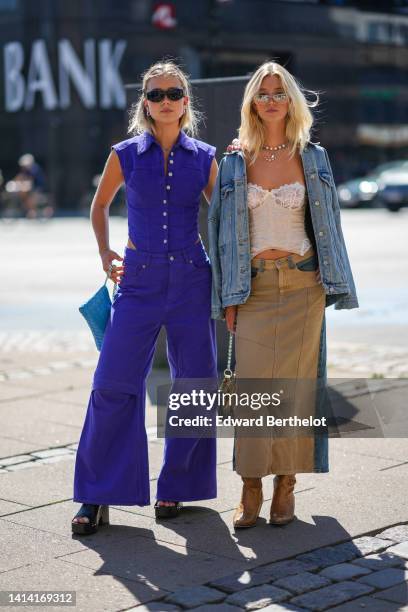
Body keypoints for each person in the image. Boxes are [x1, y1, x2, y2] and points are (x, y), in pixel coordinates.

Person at [208, 61, 358, 529]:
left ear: (291, 100)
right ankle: (250, 487)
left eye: (278, 92)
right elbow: (219, 235)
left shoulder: (313, 156)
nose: (270, 99)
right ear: (252, 101)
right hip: (251, 286)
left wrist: (334, 284)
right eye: (262, 92)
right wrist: (226, 299)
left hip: (302, 285)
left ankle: (286, 484)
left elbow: (330, 224)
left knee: (294, 393)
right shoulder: (234, 160)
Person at [72, 60, 219, 535]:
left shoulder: (206, 157)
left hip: (192, 278)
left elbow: (226, 219)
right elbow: (100, 205)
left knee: (196, 381)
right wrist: (104, 253)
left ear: (186, 101)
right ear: (145, 103)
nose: (164, 101)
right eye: (154, 94)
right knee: (113, 382)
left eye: (173, 93)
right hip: (137, 281)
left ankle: (177, 484)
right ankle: (97, 495)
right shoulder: (125, 154)